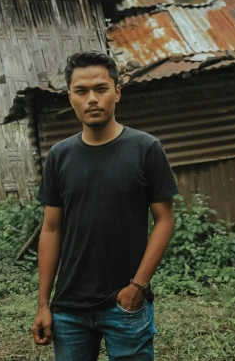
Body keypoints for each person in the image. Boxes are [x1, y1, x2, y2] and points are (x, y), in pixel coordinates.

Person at [31, 51, 179, 361]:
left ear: (117, 92)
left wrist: (137, 286)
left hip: (126, 305)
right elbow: (51, 228)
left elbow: (164, 220)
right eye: (81, 91)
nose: (92, 99)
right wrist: (44, 304)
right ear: (70, 96)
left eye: (101, 89)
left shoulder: (146, 149)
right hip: (69, 309)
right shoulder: (60, 156)